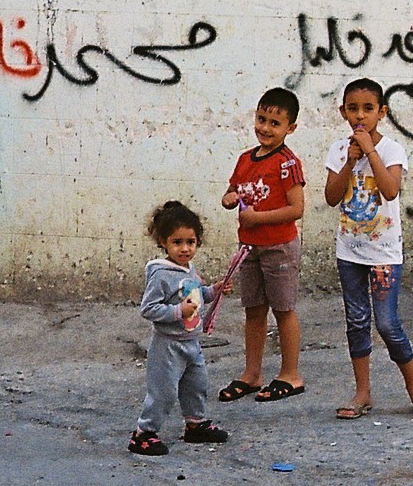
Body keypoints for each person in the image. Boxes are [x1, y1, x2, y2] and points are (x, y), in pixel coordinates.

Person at [323, 78, 413, 421]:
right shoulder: (337, 150)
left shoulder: (391, 150)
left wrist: (369, 152)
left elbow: (390, 191)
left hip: (384, 253)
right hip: (350, 251)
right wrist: (350, 160)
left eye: (368, 109)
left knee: (388, 324)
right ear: (343, 111)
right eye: (353, 108)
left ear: (381, 112)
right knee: (356, 322)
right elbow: (331, 197)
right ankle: (363, 392)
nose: (360, 115)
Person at [216, 86, 308, 404]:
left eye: (274, 123)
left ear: (290, 128)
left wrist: (260, 218)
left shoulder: (287, 163)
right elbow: (233, 191)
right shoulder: (245, 159)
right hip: (250, 248)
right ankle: (252, 373)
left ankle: (290, 374)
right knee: (253, 310)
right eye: (261, 119)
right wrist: (230, 199)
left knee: (283, 310)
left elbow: (297, 209)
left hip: (279, 247)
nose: (265, 128)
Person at [131, 201, 229, 456]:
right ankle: (144, 433)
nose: (185, 249)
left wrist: (211, 292)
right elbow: (149, 309)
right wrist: (177, 312)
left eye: (191, 242)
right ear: (163, 242)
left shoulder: (188, 269)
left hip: (191, 342)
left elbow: (193, 297)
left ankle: (194, 424)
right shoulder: (161, 274)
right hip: (168, 345)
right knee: (163, 392)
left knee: (197, 385)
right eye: (177, 242)